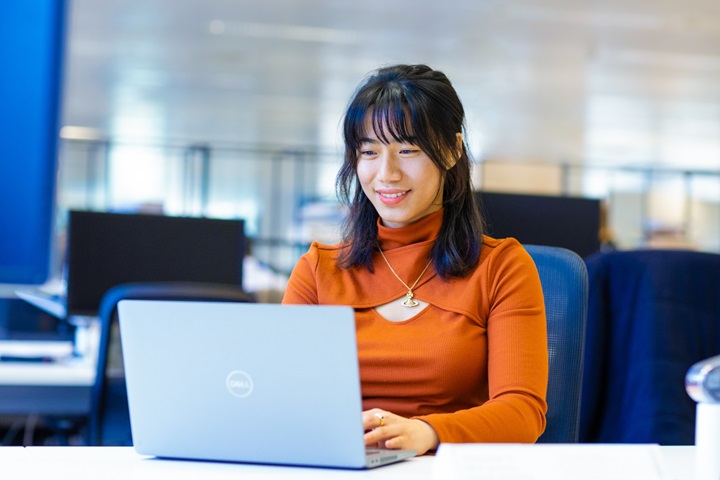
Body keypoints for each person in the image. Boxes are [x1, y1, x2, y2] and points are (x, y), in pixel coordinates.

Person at [282, 64, 548, 455]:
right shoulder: (319, 271)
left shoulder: (501, 267)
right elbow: (278, 395)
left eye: (408, 150)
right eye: (369, 151)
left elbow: (522, 412)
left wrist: (429, 433)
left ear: (452, 150)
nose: (386, 173)